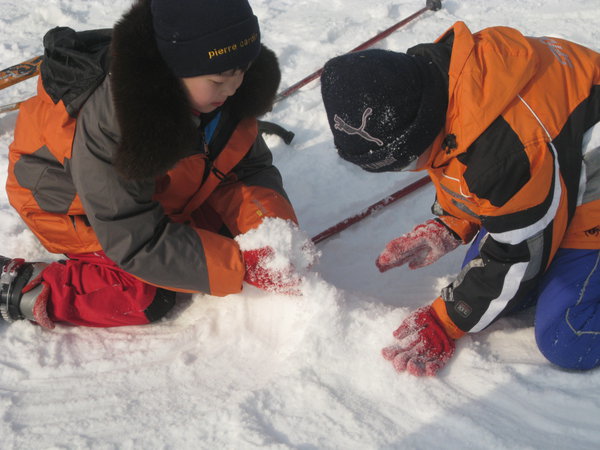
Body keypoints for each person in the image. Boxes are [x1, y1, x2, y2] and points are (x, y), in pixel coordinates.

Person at [0, 0, 303, 329]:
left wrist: (271, 228)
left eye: (242, 70)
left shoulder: (223, 91)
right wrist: (240, 266)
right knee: (146, 292)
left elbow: (245, 170)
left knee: (226, 237)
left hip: (154, 189)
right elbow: (133, 237)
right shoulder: (116, 122)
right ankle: (22, 287)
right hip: (67, 202)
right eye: (219, 80)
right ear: (174, 69)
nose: (234, 87)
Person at [320, 21, 600, 376]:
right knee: (491, 281)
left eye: (405, 161)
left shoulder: (503, 150)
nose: (407, 171)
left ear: (420, 127)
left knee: (566, 337)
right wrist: (452, 223)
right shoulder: (439, 84)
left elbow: (516, 254)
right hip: (560, 164)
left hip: (590, 188)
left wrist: (446, 321)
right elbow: (461, 163)